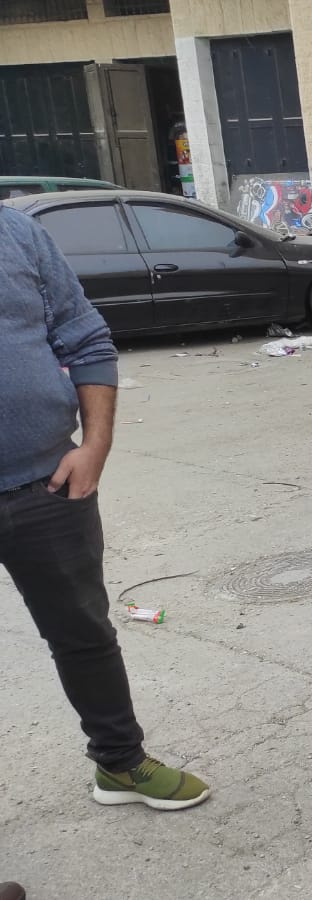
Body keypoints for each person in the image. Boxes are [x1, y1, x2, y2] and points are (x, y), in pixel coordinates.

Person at [0, 206, 211, 812]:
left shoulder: (17, 233)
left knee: (83, 633)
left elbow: (82, 333)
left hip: (47, 485)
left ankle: (119, 762)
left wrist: (95, 445)